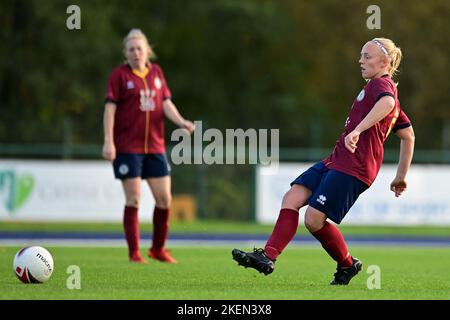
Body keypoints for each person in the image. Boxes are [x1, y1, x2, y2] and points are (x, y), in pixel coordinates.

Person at [232, 37, 415, 285]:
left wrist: (358, 130)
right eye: (361, 55)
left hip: (354, 167)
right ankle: (268, 256)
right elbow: (408, 135)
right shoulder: (378, 88)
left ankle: (347, 265)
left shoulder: (381, 86)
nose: (360, 61)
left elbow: (388, 103)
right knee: (292, 197)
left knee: (313, 219)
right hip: (337, 160)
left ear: (384, 62)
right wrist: (401, 176)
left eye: (367, 56)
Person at [102, 29, 195, 264]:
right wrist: (108, 141)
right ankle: (134, 253)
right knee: (133, 199)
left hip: (155, 147)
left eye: (139, 48)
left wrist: (182, 121)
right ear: (126, 53)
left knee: (165, 200)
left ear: (147, 51)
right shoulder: (119, 76)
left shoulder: (156, 73)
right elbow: (110, 109)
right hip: (127, 148)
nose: (135, 53)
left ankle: (158, 249)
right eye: (131, 49)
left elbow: (165, 103)